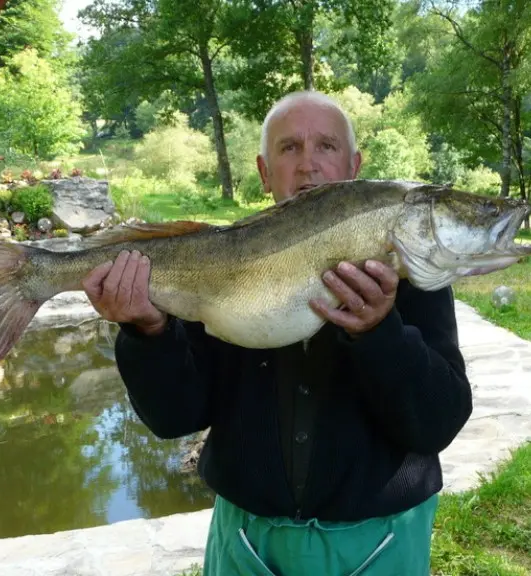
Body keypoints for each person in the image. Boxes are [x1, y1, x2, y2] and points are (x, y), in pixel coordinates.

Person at [82, 90, 473, 575]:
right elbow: (174, 417)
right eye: (289, 148)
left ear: (354, 164)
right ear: (265, 172)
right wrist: (148, 332)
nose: (308, 165)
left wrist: (379, 332)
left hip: (382, 537)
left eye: (326, 147)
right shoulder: (223, 262)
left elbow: (438, 422)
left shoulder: (410, 272)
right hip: (247, 542)